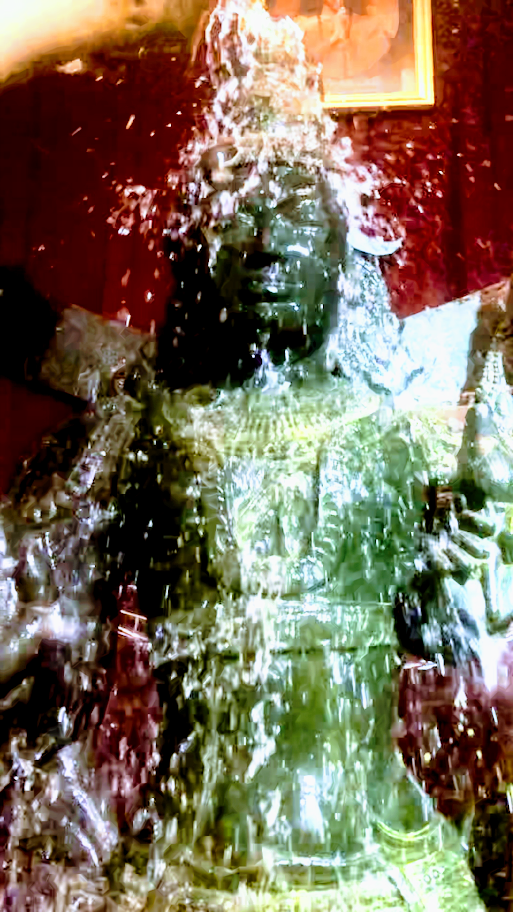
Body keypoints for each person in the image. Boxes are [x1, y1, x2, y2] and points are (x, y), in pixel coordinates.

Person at [0, 0, 496, 908]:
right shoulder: (145, 432)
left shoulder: (394, 433)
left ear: (347, 246)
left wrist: (470, 548)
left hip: (389, 876)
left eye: (299, 211)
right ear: (191, 248)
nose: (268, 243)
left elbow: (451, 625)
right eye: (237, 212)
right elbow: (43, 621)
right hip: (184, 880)